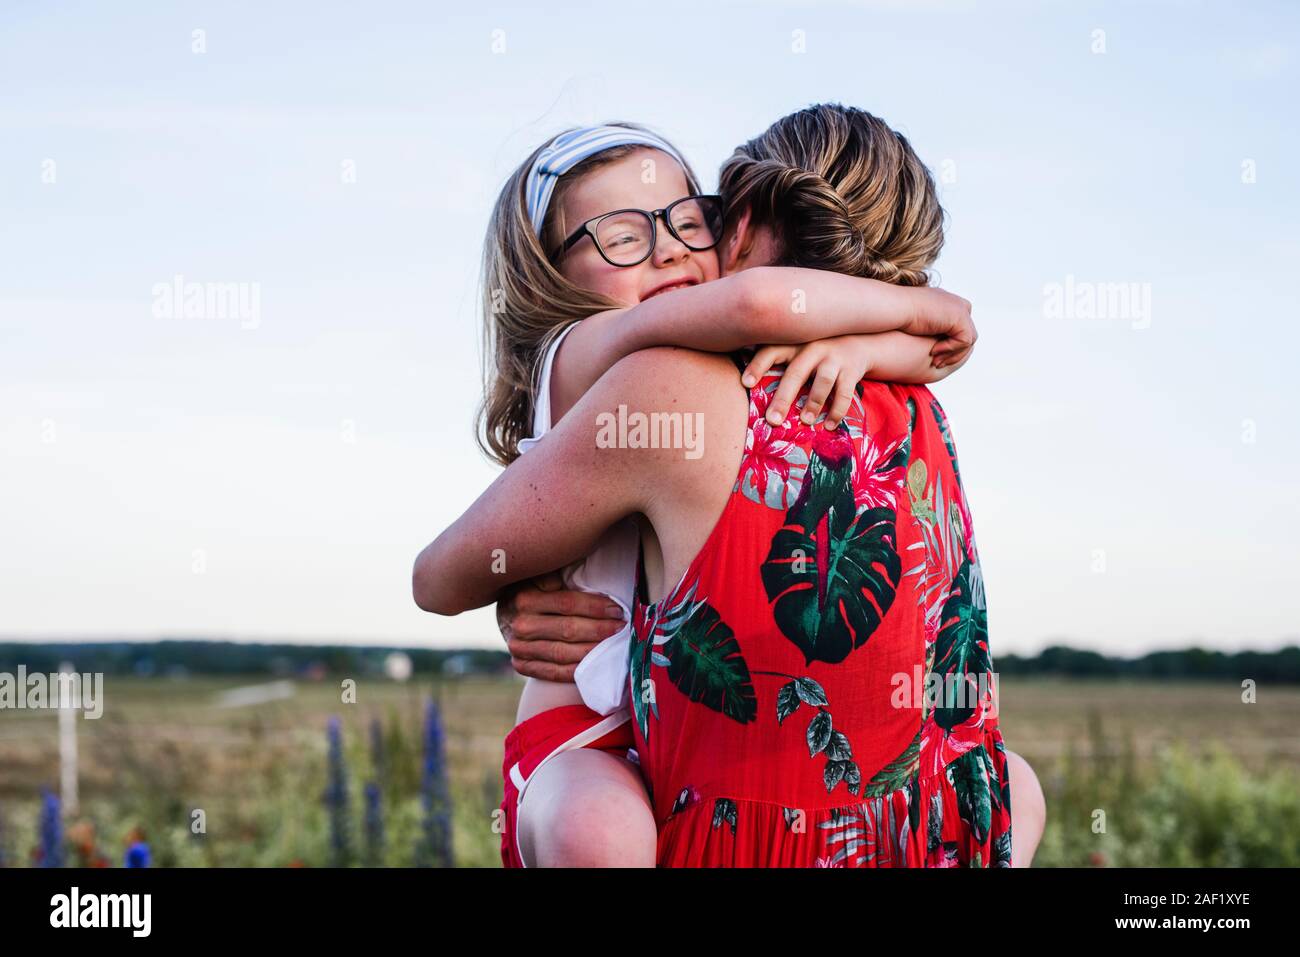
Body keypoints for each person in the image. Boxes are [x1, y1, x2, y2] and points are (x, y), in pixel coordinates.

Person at [416, 104, 1046, 866]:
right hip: (582, 731)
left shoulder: (739, 376)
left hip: (655, 741)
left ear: (732, 225)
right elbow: (756, 304)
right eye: (621, 237)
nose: (669, 254)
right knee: (599, 830)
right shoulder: (588, 350)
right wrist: (926, 313)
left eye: (689, 221)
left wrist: (870, 342)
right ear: (549, 273)